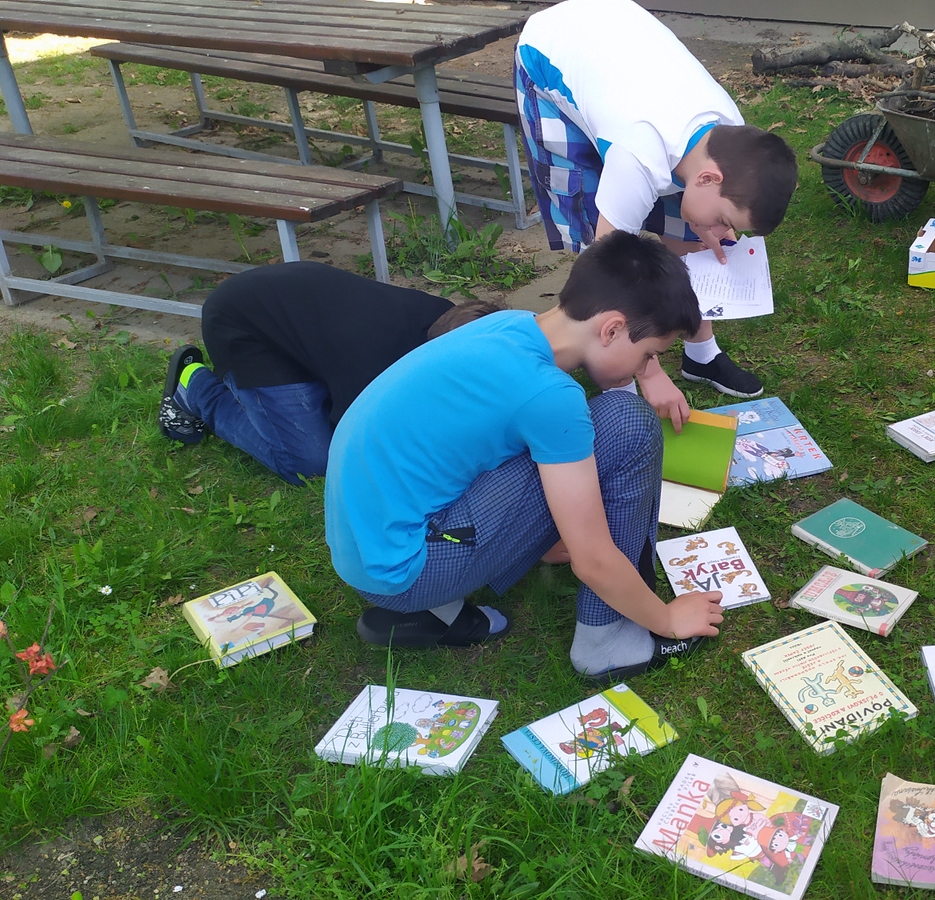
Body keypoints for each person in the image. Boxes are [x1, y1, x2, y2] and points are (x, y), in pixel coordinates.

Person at [324, 231, 724, 681]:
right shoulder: (550, 396)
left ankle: (441, 611)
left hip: (367, 553)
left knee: (571, 447)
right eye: (648, 355)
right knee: (628, 423)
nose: (644, 368)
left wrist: (537, 532)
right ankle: (606, 640)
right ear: (611, 329)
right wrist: (667, 619)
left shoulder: (510, 325)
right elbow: (592, 559)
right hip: (407, 573)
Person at [514, 0, 799, 410]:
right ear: (708, 178)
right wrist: (649, 373)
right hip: (549, 58)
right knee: (592, 221)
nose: (725, 233)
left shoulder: (728, 130)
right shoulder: (639, 156)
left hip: (619, 50)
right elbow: (607, 269)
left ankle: (701, 356)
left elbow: (697, 212)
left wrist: (704, 227)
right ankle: (619, 380)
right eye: (725, 219)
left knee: (691, 227)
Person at [157, 262, 503, 484]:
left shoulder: (452, 320)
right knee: (310, 460)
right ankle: (195, 388)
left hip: (296, 312)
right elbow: (358, 441)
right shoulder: (372, 366)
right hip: (245, 329)